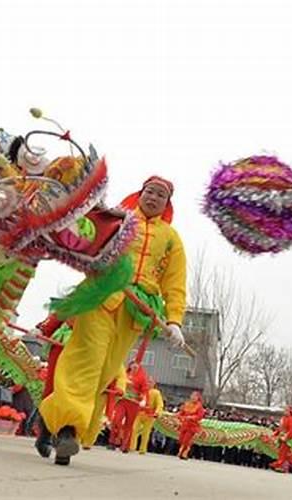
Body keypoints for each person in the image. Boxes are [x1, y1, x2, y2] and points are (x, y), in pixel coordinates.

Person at [38, 176, 187, 465]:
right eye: (149, 191)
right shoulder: (120, 219)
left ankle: (61, 425)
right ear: (140, 193)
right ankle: (67, 428)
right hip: (100, 299)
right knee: (86, 361)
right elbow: (86, 236)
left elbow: (175, 283)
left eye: (160, 195)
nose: (153, 198)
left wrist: (175, 320)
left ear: (167, 204)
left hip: (134, 313)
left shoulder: (171, 239)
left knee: (106, 372)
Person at [131, 377, 164, 455]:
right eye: (148, 382)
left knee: (145, 433)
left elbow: (160, 404)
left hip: (149, 415)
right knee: (134, 429)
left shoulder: (156, 392)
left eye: (151, 382)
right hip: (140, 413)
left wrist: (157, 412)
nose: (149, 383)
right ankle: (132, 447)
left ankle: (142, 449)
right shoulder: (142, 391)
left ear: (154, 384)